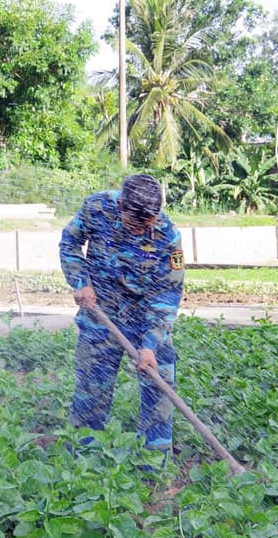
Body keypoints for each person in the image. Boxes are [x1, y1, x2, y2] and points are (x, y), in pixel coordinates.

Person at [60, 174, 185, 456]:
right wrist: (82, 282)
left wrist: (150, 345)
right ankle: (83, 460)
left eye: (148, 222)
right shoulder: (96, 208)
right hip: (100, 314)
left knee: (159, 389)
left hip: (145, 319)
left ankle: (153, 465)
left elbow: (167, 294)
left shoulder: (168, 235)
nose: (142, 228)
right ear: (121, 207)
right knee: (92, 389)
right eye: (135, 221)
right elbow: (69, 242)